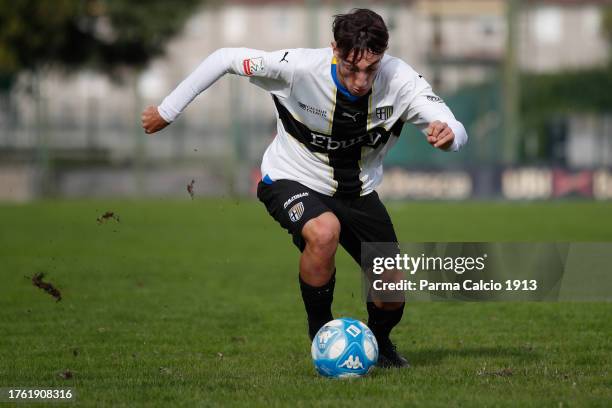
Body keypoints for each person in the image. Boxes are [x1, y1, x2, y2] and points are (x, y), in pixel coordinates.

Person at [142, 8, 467, 368]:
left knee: (390, 290)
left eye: (370, 69)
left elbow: (451, 123)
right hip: (290, 178)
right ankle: (321, 333)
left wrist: (449, 135)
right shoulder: (296, 68)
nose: (361, 80)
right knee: (324, 232)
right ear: (334, 50)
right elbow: (225, 58)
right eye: (351, 67)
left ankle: (380, 344)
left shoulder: (401, 80)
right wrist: (168, 110)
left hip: (359, 193)